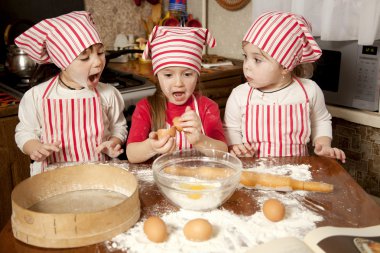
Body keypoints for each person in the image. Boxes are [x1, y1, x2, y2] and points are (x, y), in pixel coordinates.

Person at [14, 11, 128, 176]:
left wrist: (113, 143)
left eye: (100, 52)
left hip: (100, 176)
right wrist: (34, 147)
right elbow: (24, 131)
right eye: (85, 58)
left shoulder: (108, 94)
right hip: (52, 181)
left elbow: (119, 126)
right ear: (62, 62)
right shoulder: (37, 96)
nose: (97, 62)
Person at [223, 11, 346, 162]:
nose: (247, 66)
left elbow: (321, 121)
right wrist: (236, 147)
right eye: (245, 57)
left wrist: (324, 144)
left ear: (285, 66)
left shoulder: (309, 91)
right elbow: (231, 129)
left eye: (257, 59)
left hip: (297, 171)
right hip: (253, 171)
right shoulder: (239, 95)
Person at [126, 26, 227, 163]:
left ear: (197, 75)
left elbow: (223, 153)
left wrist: (200, 140)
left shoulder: (207, 107)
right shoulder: (146, 108)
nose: (178, 83)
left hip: (197, 181)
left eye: (187, 74)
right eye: (168, 75)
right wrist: (151, 146)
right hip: (161, 182)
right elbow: (132, 155)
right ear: (157, 76)